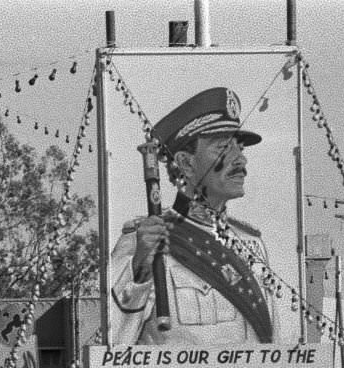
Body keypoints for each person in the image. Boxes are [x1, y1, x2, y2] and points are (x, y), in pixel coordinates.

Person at [109, 87, 278, 345]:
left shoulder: (252, 244)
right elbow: (114, 341)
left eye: (240, 148)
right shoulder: (143, 240)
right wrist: (141, 266)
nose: (241, 160)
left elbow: (271, 344)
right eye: (223, 149)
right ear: (187, 164)